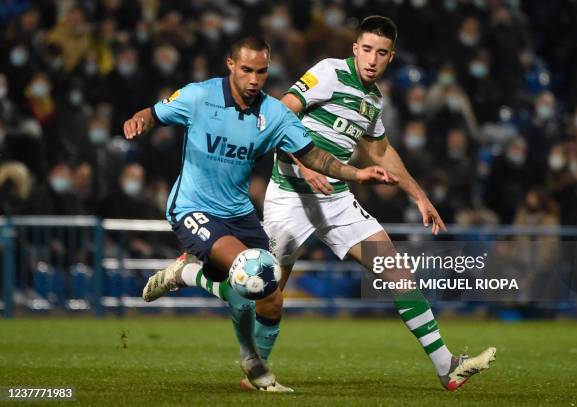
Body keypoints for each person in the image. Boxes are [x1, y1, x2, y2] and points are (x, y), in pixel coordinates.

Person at [171, 16, 496, 392]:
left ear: (392, 57)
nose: (373, 59)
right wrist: (302, 164)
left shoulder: (373, 99)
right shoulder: (328, 73)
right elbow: (278, 115)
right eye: (367, 49)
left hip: (337, 200)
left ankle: (447, 367)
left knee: (396, 270)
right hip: (290, 196)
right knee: (267, 297)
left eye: (382, 53)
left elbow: (380, 150)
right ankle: (191, 276)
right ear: (355, 49)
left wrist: (419, 195)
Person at [123, 36, 397, 392]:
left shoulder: (274, 115)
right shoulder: (199, 96)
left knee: (270, 297)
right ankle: (254, 367)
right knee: (249, 271)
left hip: (239, 212)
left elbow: (313, 155)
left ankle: (188, 273)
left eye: (262, 72)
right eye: (248, 70)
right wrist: (138, 119)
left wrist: (356, 173)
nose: (255, 79)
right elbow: (154, 113)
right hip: (193, 207)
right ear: (231, 65)